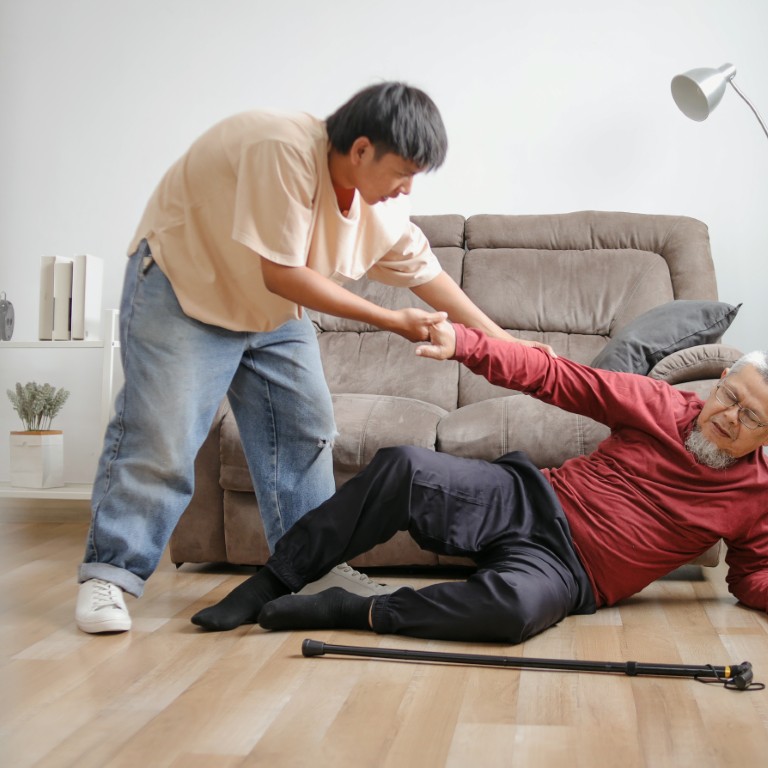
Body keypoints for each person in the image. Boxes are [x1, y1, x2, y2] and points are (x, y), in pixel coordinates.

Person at [76, 83, 536, 635]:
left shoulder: (379, 201)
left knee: (305, 431)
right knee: (164, 438)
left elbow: (425, 272)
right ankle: (109, 576)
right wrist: (391, 320)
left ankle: (312, 570)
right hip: (186, 289)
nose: (407, 188)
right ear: (361, 149)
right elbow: (282, 272)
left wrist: (503, 340)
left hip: (270, 314)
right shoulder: (282, 148)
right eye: (402, 171)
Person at [190, 320, 768, 642]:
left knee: (513, 612)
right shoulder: (656, 403)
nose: (724, 416)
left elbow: (750, 572)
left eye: (747, 415)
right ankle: (273, 580)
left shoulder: (756, 496)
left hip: (572, 574)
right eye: (724, 395)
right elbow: (559, 378)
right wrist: (465, 343)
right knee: (404, 466)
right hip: (534, 499)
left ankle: (355, 610)